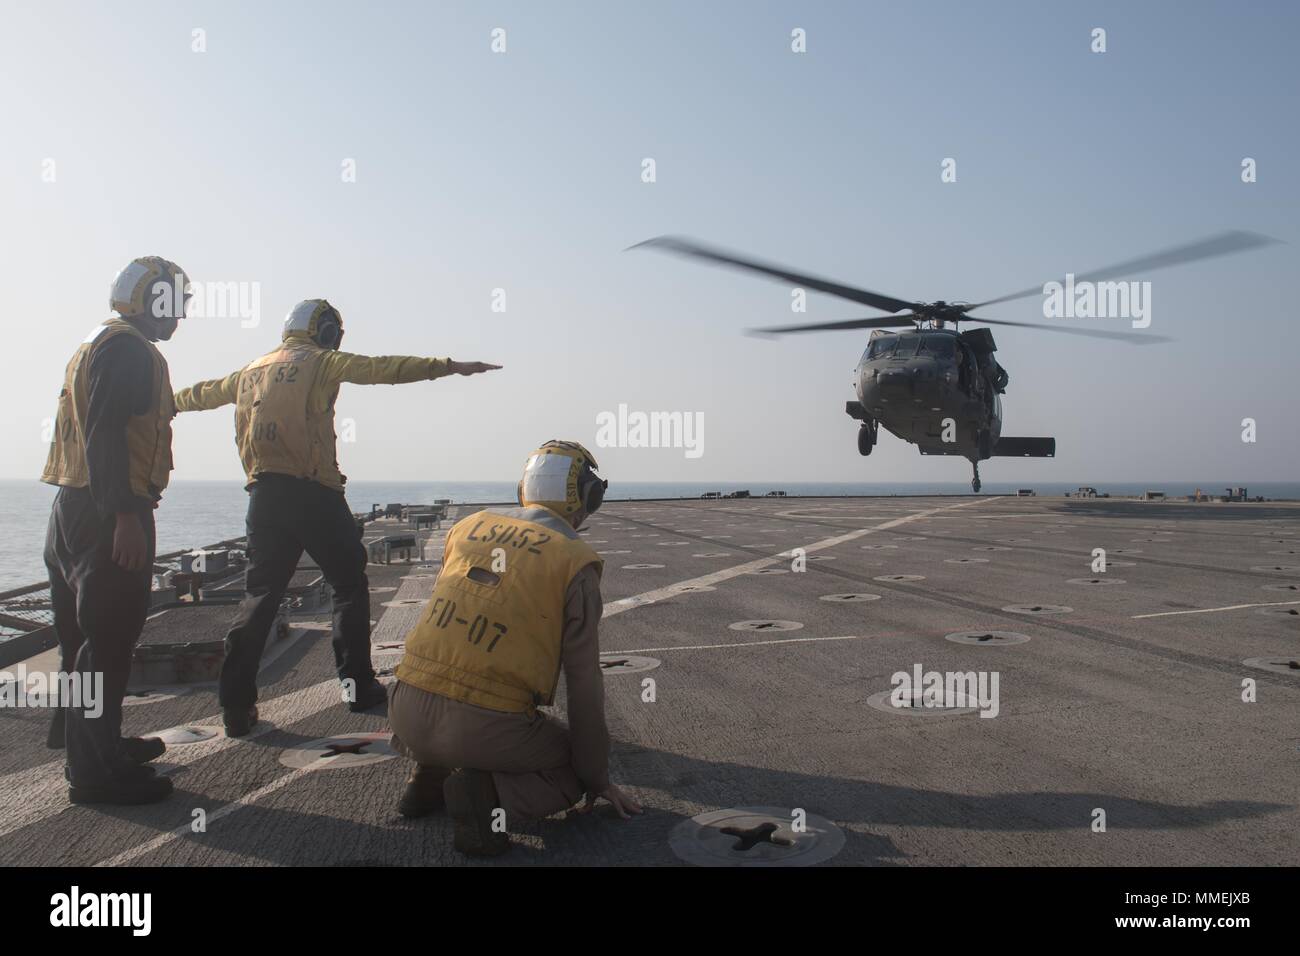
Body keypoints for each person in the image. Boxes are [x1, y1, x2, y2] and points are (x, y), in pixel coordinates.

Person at [172, 299, 500, 736]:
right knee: (347, 585)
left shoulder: (250, 370)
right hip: (314, 494)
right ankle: (357, 687)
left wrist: (163, 401)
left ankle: (235, 707)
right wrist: (448, 365)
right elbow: (383, 369)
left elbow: (201, 394)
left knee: (259, 598)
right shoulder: (321, 361)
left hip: (263, 495)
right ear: (325, 331)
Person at [390, 441, 643, 857]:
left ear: (522, 489)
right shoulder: (574, 562)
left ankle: (429, 773)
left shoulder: (467, 528)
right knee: (571, 767)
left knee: (451, 681)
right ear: (587, 497)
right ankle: (487, 799)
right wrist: (597, 778)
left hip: (404, 711)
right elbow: (583, 685)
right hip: (481, 727)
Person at [41, 256, 190, 805]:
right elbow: (105, 433)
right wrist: (125, 515)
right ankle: (96, 775)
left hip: (71, 508)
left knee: (82, 639)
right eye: (177, 301)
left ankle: (90, 741)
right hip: (108, 510)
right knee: (108, 642)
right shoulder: (128, 349)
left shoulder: (95, 341)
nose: (181, 314)